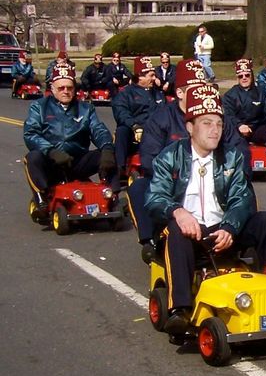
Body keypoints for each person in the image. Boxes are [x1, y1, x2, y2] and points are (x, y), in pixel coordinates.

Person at [145, 84, 266, 337]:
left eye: (218, 124)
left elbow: (242, 198)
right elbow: (154, 198)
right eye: (206, 123)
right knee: (176, 228)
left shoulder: (232, 157)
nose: (214, 130)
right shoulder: (169, 157)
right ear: (190, 127)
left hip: (223, 230)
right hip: (189, 233)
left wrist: (230, 226)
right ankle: (180, 309)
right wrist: (177, 211)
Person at [128, 58, 208, 261]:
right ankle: (151, 241)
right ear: (180, 93)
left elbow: (238, 149)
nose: (201, 95)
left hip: (210, 179)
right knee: (139, 187)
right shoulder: (160, 118)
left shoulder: (216, 115)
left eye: (203, 88)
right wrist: (176, 175)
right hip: (172, 182)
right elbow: (149, 158)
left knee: (244, 188)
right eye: (194, 90)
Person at [23, 64, 118, 220]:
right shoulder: (39, 107)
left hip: (77, 160)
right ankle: (41, 199)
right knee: (32, 158)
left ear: (74, 89)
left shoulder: (86, 109)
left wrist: (107, 148)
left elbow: (98, 130)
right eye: (61, 88)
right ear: (52, 88)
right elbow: (31, 134)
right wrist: (51, 151)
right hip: (52, 161)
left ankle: (111, 195)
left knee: (108, 153)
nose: (65, 91)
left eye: (69, 87)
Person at [222, 58, 266, 174]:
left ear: (251, 75)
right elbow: (228, 115)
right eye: (241, 76)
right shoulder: (230, 96)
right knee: (232, 139)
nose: (244, 78)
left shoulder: (261, 92)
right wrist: (239, 125)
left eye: (247, 75)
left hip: (257, 128)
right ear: (237, 78)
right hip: (239, 131)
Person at [112, 56, 163, 170]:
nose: (155, 78)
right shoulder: (125, 94)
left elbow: (165, 112)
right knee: (121, 131)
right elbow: (121, 112)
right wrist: (134, 125)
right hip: (134, 130)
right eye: (151, 76)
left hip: (155, 131)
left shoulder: (158, 94)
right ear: (140, 77)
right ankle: (119, 168)